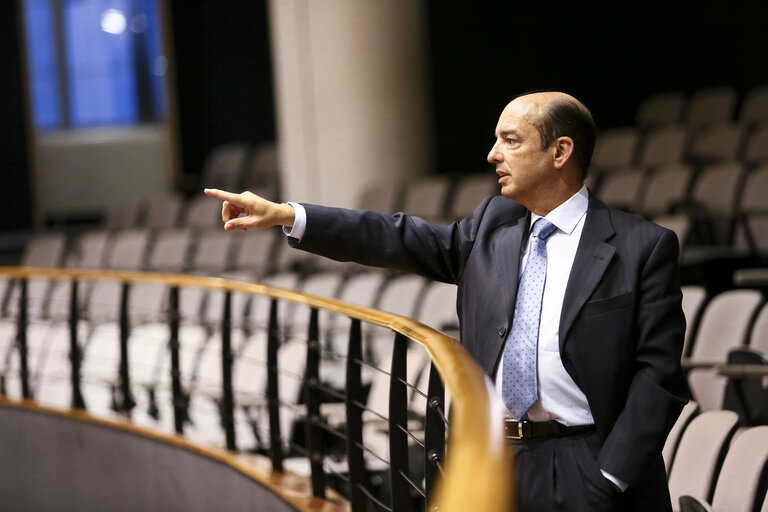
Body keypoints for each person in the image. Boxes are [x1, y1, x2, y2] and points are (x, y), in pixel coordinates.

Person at [204, 91, 687, 511]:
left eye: (511, 140)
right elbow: (397, 236)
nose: (493, 154)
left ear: (560, 151)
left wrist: (609, 476)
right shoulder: (494, 224)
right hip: (494, 458)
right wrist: (288, 214)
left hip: (585, 462)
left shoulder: (641, 246)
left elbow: (658, 376)